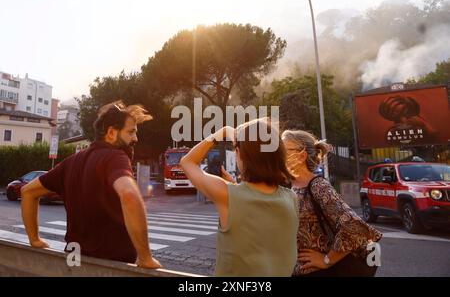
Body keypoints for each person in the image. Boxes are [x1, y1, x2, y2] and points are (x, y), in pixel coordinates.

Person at [21, 100, 161, 269]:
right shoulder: (116, 157)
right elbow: (130, 195)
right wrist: (145, 258)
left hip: (73, 261)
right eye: (131, 132)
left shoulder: (71, 162)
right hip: (110, 267)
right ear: (111, 133)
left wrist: (34, 240)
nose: (135, 138)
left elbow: (28, 192)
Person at [180, 119, 299, 277]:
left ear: (239, 153)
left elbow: (188, 162)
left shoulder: (227, 195)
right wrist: (236, 186)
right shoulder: (291, 198)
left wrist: (221, 133)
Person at [281, 130, 382, 277]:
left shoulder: (318, 186)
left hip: (322, 272)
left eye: (282, 150)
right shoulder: (292, 186)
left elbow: (355, 227)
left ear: (301, 156)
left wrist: (326, 259)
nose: (277, 155)